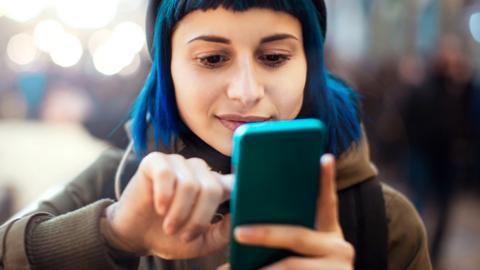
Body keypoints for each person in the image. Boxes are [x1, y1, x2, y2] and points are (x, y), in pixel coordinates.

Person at [0, 1, 432, 269]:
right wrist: (114, 234)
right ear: (167, 71)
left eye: (275, 56)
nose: (246, 91)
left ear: (310, 66)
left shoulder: (384, 219)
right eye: (212, 58)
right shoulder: (116, 183)